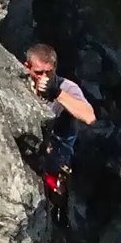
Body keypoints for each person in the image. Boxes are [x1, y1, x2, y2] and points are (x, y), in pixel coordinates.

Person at [25, 40, 95, 222]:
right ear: (27, 67)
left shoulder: (67, 88)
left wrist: (56, 93)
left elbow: (89, 116)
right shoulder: (21, 83)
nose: (44, 77)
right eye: (39, 73)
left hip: (55, 165)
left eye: (49, 72)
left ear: (55, 67)